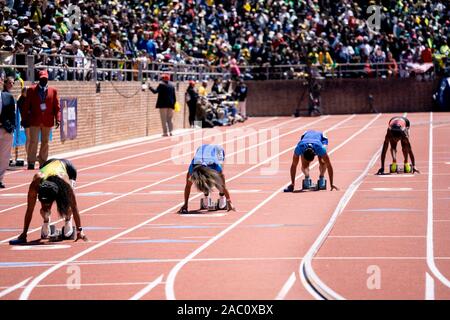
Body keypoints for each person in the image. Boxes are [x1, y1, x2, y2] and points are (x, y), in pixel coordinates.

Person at [9, 158, 88, 245]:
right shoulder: (35, 183)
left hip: (68, 169)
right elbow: (29, 209)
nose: (47, 206)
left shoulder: (65, 183)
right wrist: (24, 234)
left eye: (49, 203)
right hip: (47, 165)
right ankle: (46, 221)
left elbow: (74, 206)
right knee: (45, 210)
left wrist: (79, 231)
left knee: (67, 206)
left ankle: (68, 220)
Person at [178, 144, 235, 214]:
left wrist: (229, 201)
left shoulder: (215, 166)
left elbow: (223, 185)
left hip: (217, 151)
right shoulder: (192, 169)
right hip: (201, 149)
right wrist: (185, 204)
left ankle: (221, 197)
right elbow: (188, 186)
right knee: (203, 183)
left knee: (219, 182)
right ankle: (206, 195)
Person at [22, 70, 60, 170]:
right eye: (42, 79)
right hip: (35, 120)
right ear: (39, 79)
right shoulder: (31, 90)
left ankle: (43, 161)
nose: (44, 80)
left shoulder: (53, 91)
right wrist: (24, 118)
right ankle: (31, 161)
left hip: (47, 120)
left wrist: (58, 119)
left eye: (45, 79)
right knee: (33, 141)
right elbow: (26, 106)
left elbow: (57, 107)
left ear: (48, 79)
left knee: (45, 141)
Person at [0, 75, 16, 188]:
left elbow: (12, 114)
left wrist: (11, 128)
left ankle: (0, 179)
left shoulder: (8, 97)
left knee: (5, 157)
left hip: (6, 130)